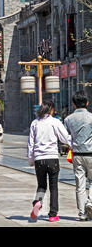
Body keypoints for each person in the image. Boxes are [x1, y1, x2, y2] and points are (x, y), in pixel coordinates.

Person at [28, 100, 72, 222]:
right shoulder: (55, 122)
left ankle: (38, 201)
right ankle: (53, 214)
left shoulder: (34, 123)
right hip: (52, 158)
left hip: (39, 160)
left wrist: (31, 159)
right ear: (51, 109)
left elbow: (31, 144)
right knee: (54, 187)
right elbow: (65, 138)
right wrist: (73, 144)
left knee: (41, 185)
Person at [63, 91, 92, 221]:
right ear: (87, 103)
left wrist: (72, 144)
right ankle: (90, 202)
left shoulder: (68, 119)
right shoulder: (91, 117)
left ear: (73, 104)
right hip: (91, 153)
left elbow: (65, 137)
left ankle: (82, 213)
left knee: (80, 184)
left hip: (76, 155)